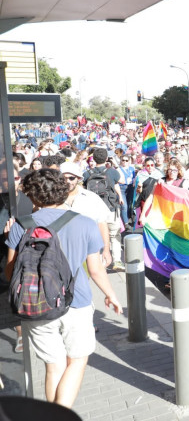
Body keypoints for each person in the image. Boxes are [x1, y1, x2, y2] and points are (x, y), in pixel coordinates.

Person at [5, 169, 122, 407]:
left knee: (53, 365)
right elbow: (96, 269)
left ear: (33, 196)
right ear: (63, 191)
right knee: (77, 360)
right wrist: (111, 295)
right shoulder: (85, 223)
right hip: (75, 301)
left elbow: (10, 272)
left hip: (34, 303)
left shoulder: (20, 225)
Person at [60, 162, 115, 269]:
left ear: (78, 178)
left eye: (71, 178)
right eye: (63, 178)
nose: (67, 181)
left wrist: (106, 250)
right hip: (63, 253)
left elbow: (102, 224)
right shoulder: (54, 199)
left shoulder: (91, 198)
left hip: (88, 253)